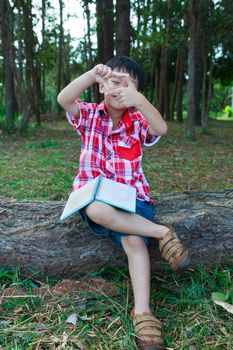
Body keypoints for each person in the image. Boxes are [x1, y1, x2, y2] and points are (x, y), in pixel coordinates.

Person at [57, 56, 189, 350]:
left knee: (133, 242)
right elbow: (64, 98)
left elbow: (161, 129)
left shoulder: (138, 121)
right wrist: (91, 74)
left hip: (133, 198)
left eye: (130, 86)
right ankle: (161, 232)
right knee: (95, 208)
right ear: (102, 86)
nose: (121, 90)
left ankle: (143, 312)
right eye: (115, 82)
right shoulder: (89, 115)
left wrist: (140, 101)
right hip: (97, 197)